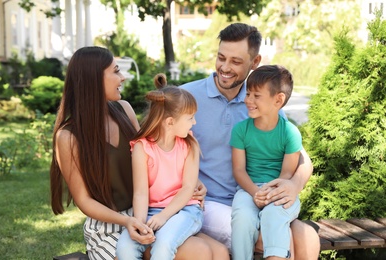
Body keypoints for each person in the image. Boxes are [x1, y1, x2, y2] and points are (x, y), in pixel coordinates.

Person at [50, 46, 228, 260]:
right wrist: (127, 221)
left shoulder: (124, 110)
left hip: (146, 211)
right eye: (116, 71)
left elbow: (153, 156)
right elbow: (84, 201)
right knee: (199, 253)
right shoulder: (68, 136)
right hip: (110, 225)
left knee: (220, 253)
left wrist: (191, 181)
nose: (122, 77)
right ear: (94, 78)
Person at [180, 23, 320, 259]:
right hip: (210, 203)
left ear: (255, 63)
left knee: (308, 237)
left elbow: (302, 159)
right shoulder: (186, 97)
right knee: (270, 240)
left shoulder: (262, 100)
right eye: (221, 58)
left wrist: (294, 185)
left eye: (236, 62)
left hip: (259, 198)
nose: (224, 68)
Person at [116, 74, 218, 259]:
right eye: (190, 118)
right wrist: (140, 224)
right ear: (170, 122)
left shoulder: (190, 144)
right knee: (125, 248)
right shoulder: (141, 148)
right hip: (151, 211)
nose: (194, 122)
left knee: (164, 244)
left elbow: (188, 188)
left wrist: (164, 216)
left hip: (186, 210)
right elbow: (140, 193)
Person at [230, 65, 302, 260]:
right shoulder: (240, 130)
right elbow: (239, 170)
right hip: (248, 190)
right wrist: (256, 193)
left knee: (273, 215)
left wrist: (271, 193)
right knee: (242, 218)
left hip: (281, 190)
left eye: (256, 96)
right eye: (248, 94)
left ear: (278, 100)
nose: (248, 100)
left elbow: (287, 173)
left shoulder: (290, 133)